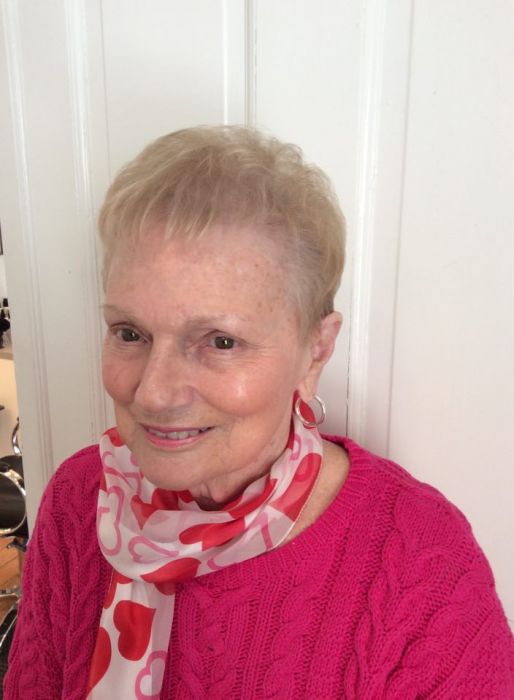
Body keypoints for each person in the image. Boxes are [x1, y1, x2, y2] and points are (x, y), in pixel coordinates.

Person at [4, 126, 513, 699]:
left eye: (221, 341)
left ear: (315, 351)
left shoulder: (422, 566)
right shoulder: (80, 499)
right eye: (129, 332)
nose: (153, 393)